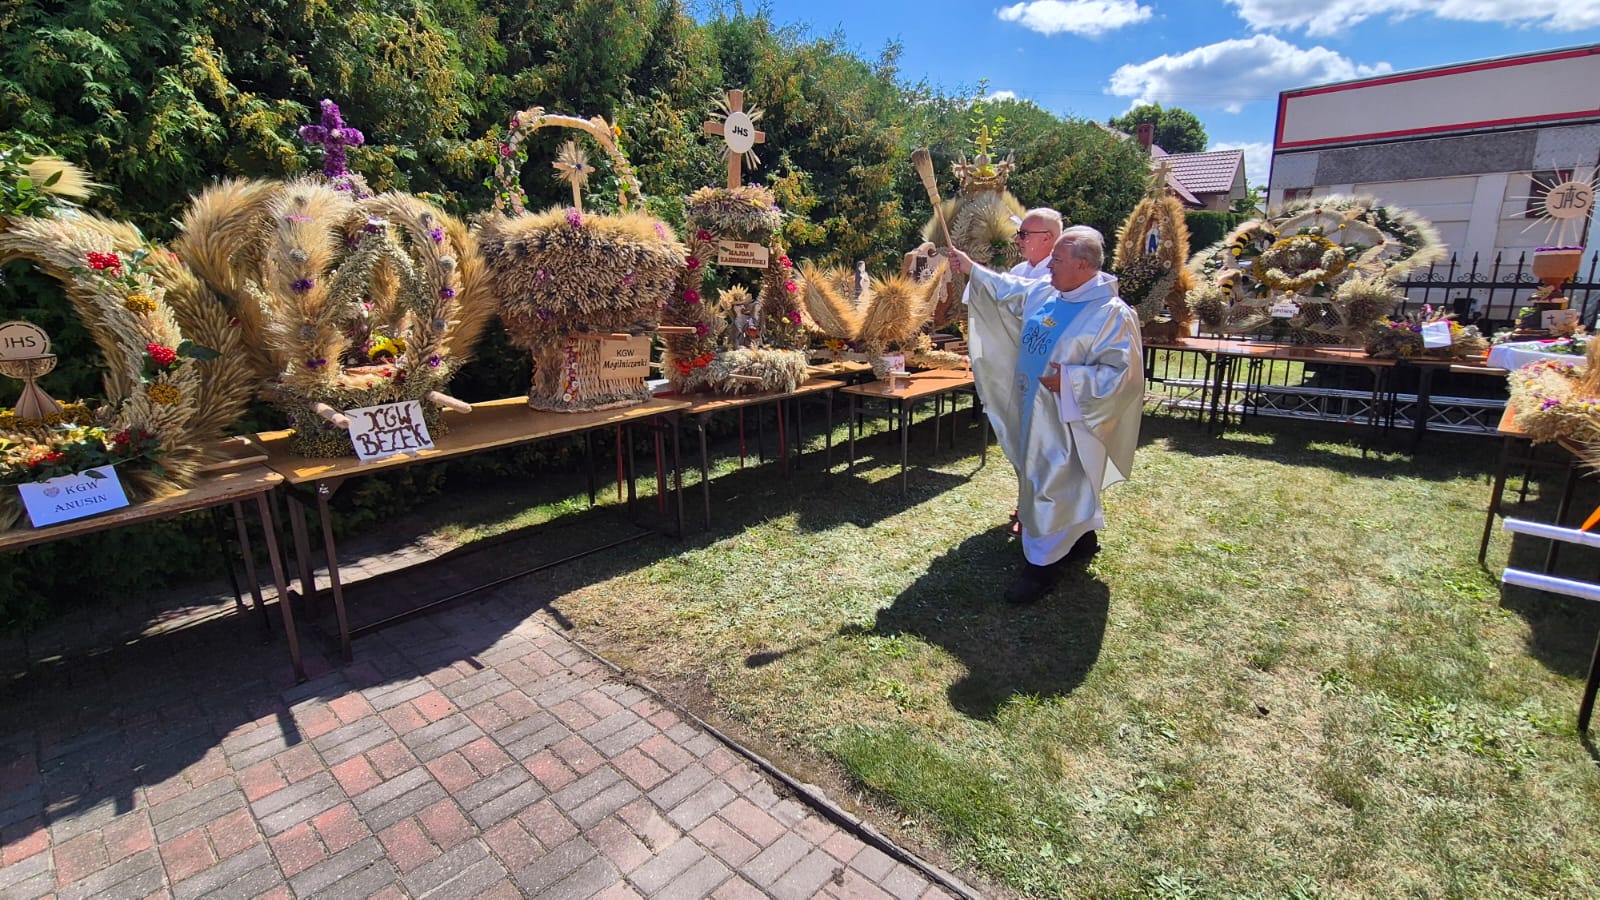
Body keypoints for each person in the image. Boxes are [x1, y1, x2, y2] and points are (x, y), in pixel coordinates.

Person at [947, 226, 1143, 605]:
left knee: (1050, 483)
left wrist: (1071, 381)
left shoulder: (1110, 314)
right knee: (1051, 478)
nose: (1049, 265)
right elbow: (1010, 289)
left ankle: (1041, 568)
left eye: (1058, 260)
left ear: (1083, 265)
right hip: (1031, 408)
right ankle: (1081, 537)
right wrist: (971, 268)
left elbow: (1124, 375)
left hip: (1068, 418)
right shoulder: (1049, 293)